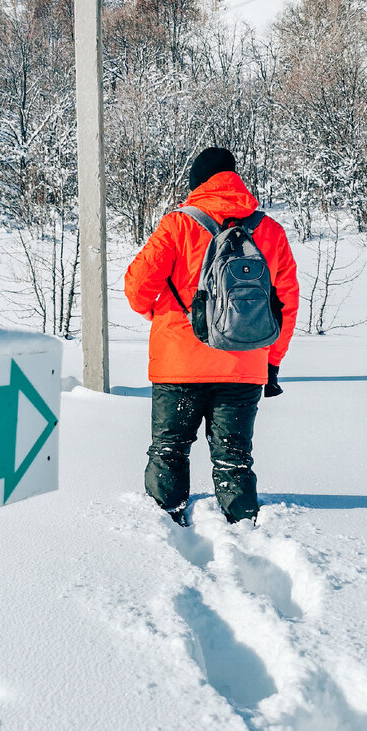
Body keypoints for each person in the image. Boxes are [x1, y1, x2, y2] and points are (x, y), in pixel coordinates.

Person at [124, 147, 299, 526]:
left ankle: (165, 526)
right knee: (234, 457)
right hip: (244, 364)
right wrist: (272, 361)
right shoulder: (269, 230)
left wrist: (154, 312)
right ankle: (243, 528)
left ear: (196, 183)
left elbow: (137, 286)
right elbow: (286, 303)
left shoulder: (177, 225)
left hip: (178, 365)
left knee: (169, 451)